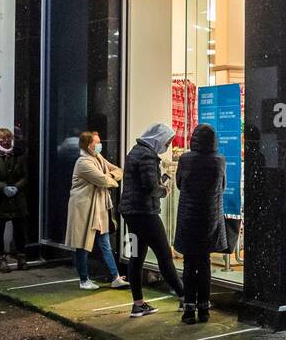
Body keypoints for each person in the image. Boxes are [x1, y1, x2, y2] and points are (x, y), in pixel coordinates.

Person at [119, 122, 184, 318]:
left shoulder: (135, 151)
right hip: (145, 214)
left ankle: (138, 303)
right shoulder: (147, 156)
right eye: (167, 141)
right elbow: (150, 188)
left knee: (136, 256)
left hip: (131, 213)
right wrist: (164, 190)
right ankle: (184, 296)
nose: (168, 145)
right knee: (164, 255)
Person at [173, 123, 228, 325]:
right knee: (204, 264)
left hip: (188, 217)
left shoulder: (186, 159)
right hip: (209, 218)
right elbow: (222, 186)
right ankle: (204, 308)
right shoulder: (219, 160)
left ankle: (188, 309)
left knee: (189, 264)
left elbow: (179, 183)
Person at [65, 131, 128, 290]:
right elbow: (102, 180)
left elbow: (119, 171)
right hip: (84, 208)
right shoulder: (83, 163)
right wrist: (110, 177)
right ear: (88, 145)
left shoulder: (98, 158)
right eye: (96, 142)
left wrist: (109, 176)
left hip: (98, 208)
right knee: (82, 244)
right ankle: (84, 279)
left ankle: (115, 277)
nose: (99, 145)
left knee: (105, 242)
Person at [0, 128, 29, 273]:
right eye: (2, 138)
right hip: (0, 199)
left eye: (8, 138)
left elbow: (25, 176)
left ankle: (21, 257)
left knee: (20, 230)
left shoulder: (19, 155)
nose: (6, 140)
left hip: (17, 199)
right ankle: (1, 259)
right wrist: (3, 187)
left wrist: (16, 187)